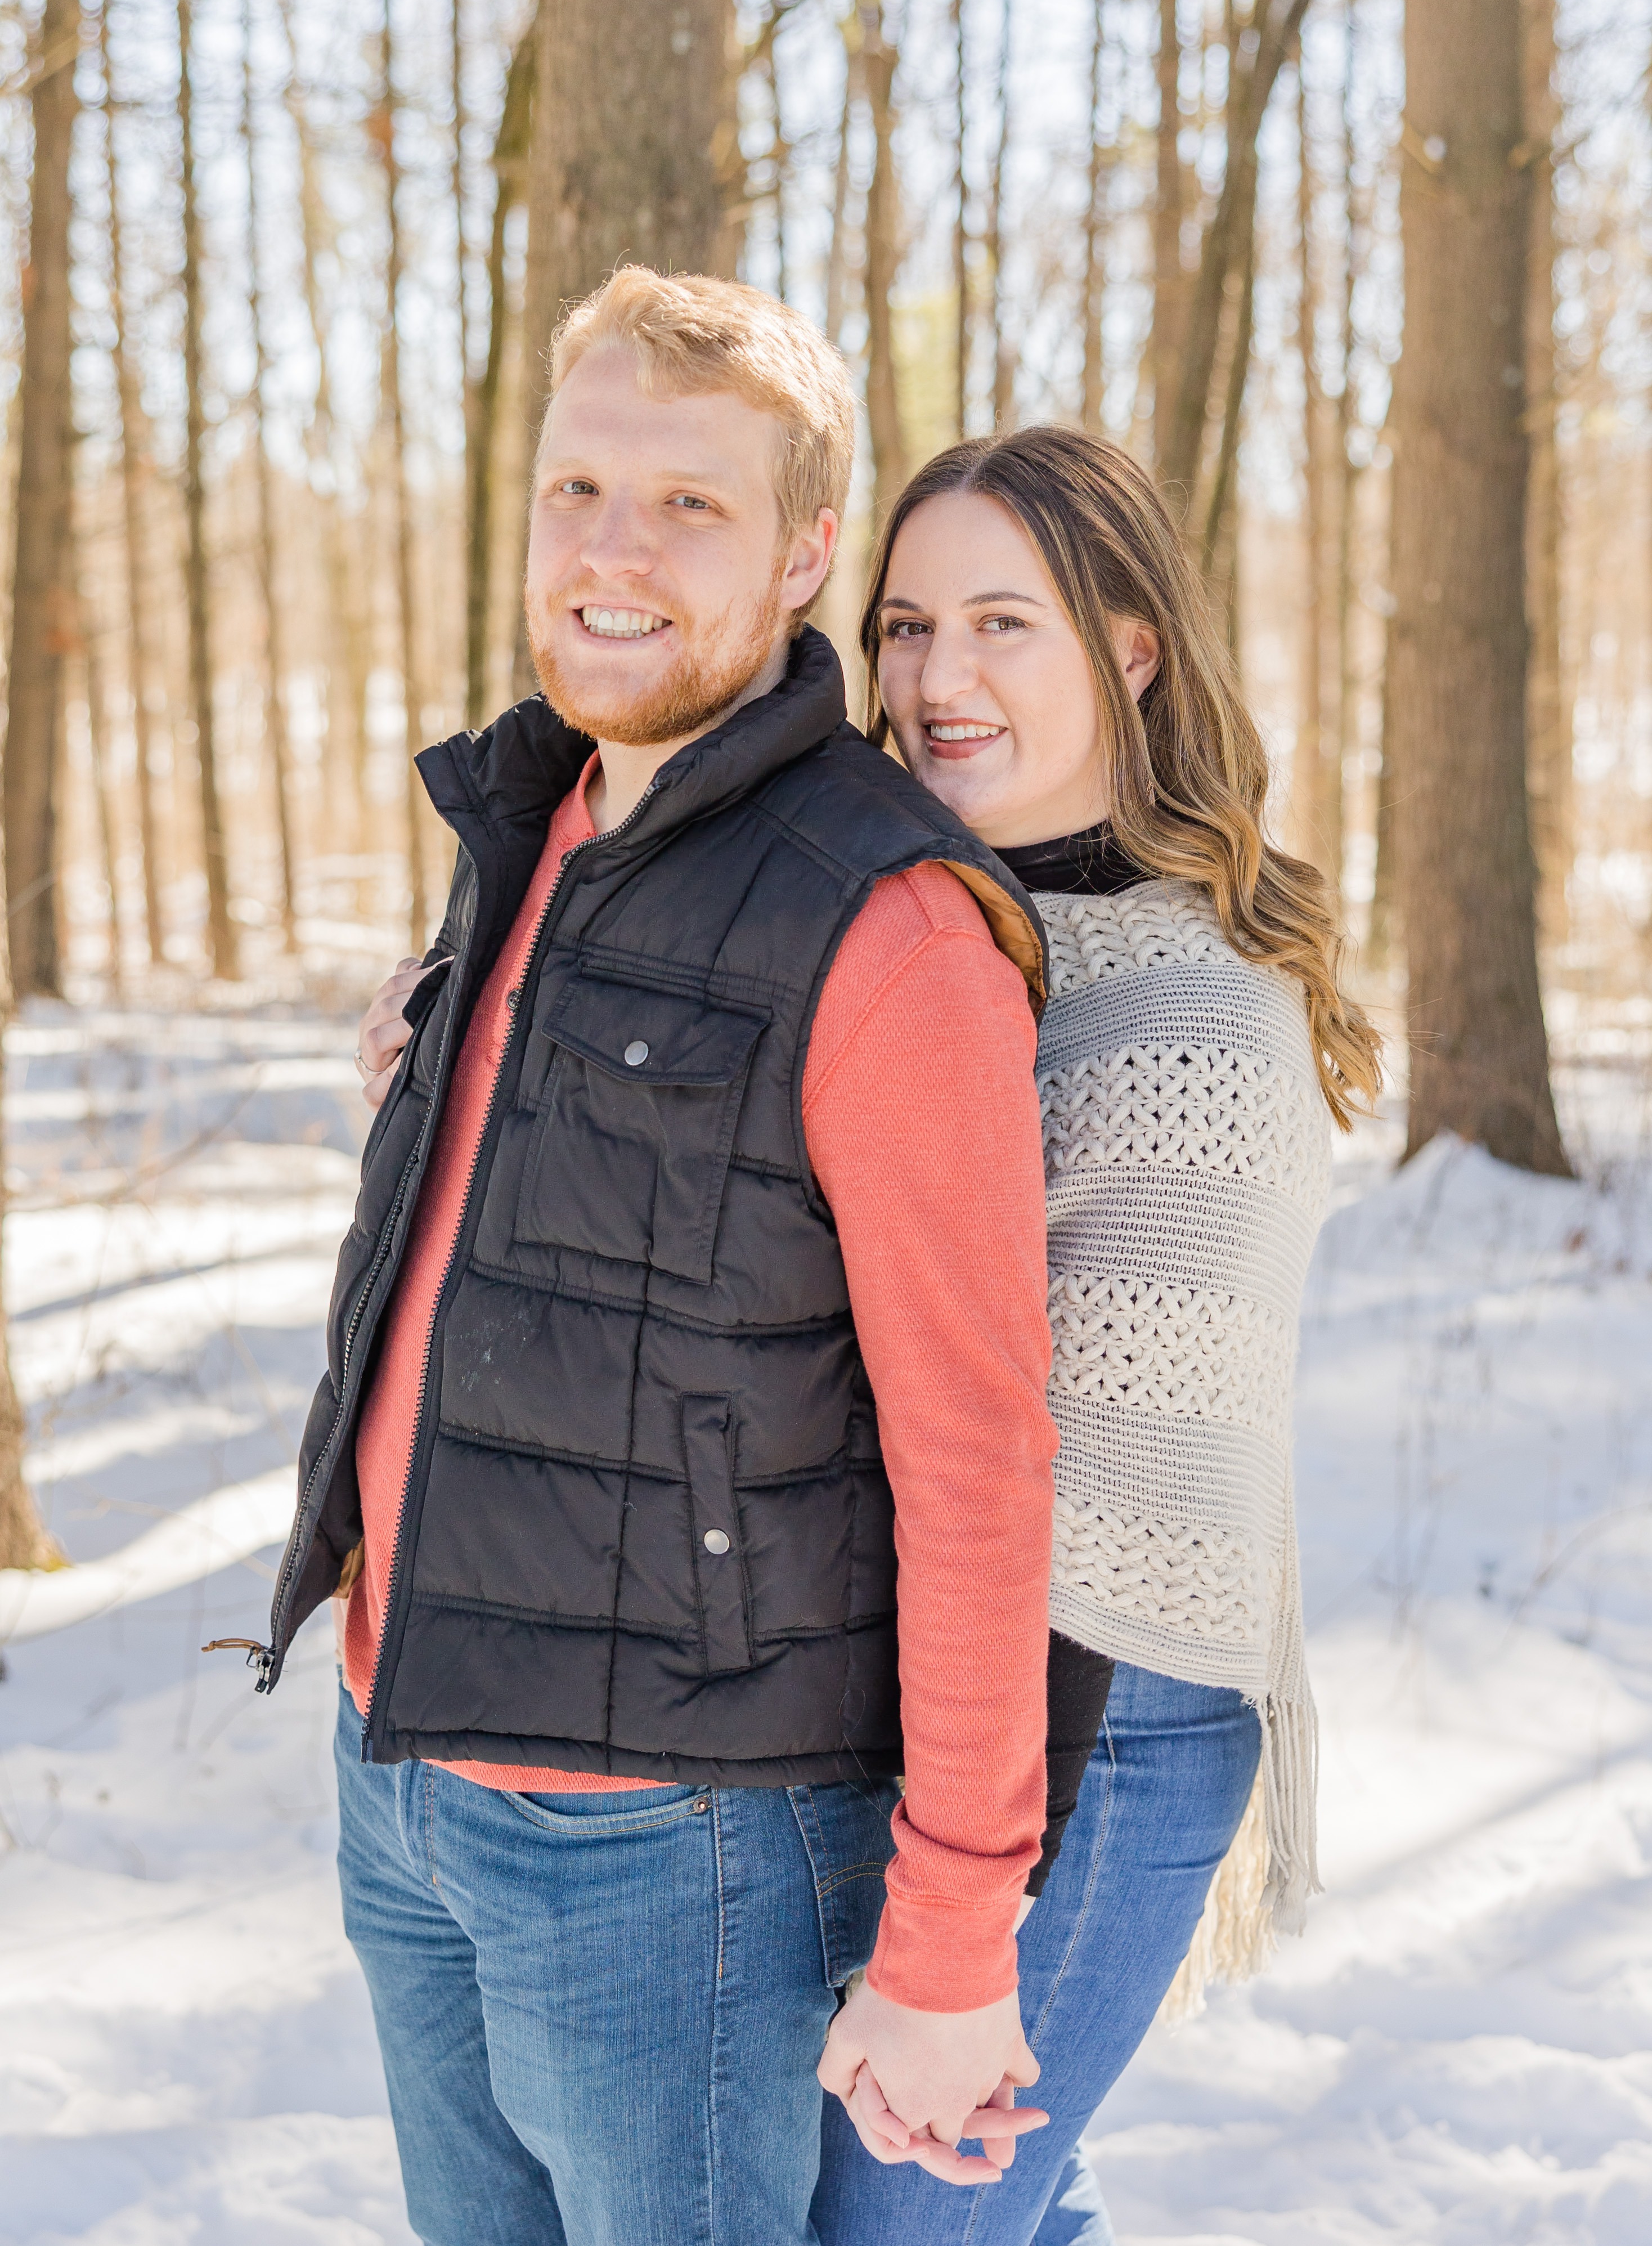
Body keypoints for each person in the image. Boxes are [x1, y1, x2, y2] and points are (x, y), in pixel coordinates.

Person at [232, 270, 1066, 2246]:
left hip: (670, 1856)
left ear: (800, 555)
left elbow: (978, 1463)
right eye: (578, 484)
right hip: (400, 1764)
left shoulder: (892, 930)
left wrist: (952, 1927)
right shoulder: (534, 817)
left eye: (689, 504)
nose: (613, 547)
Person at [812, 425, 1381, 2245]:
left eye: (1003, 621)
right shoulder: (926, 918)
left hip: (1100, 1721)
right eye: (904, 625)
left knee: (907, 2221)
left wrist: (962, 1902)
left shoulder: (1188, 1015)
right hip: (929, 1706)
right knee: (995, 2207)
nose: (934, 679)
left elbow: (1059, 1476)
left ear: (1131, 647)